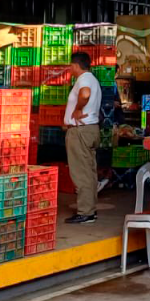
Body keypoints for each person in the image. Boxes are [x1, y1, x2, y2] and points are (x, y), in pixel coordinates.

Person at [64, 51, 102, 224]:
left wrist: (78, 109)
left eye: (71, 66)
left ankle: (85, 212)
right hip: (89, 130)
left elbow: (85, 94)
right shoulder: (92, 79)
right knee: (89, 172)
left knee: (81, 173)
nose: (70, 69)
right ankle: (90, 210)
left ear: (76, 65)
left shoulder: (84, 79)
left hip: (81, 132)